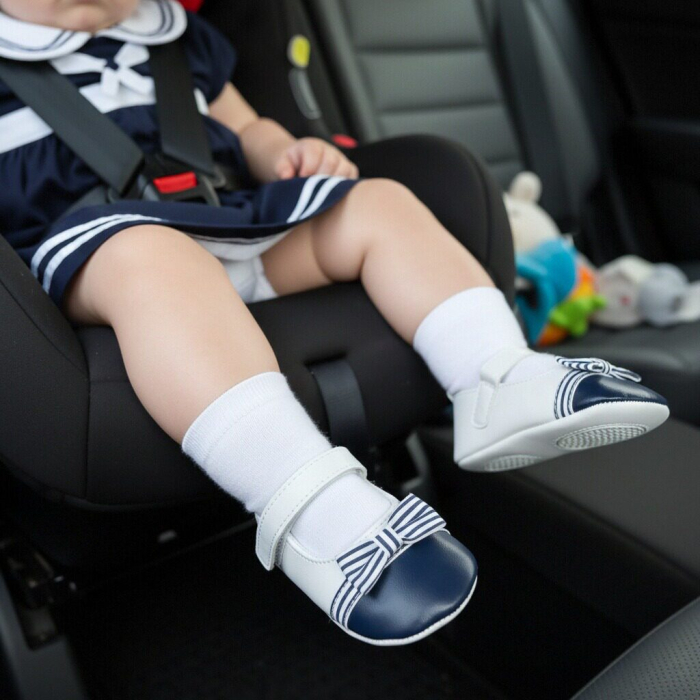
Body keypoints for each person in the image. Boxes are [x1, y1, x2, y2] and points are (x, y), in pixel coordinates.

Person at [0, 0, 669, 645]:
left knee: (376, 203)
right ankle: (313, 508)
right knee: (149, 254)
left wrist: (286, 155)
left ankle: (496, 376)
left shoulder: (176, 35)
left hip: (228, 220)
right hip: (95, 255)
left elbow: (251, 130)